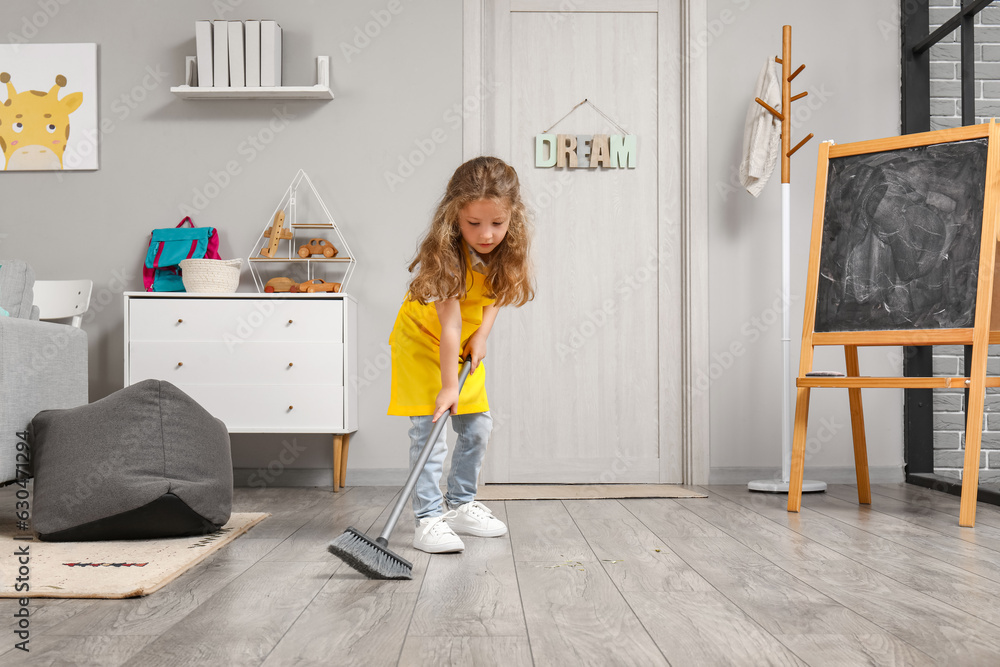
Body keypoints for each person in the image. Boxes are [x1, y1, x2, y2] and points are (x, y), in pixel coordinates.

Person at [388, 156, 534, 554]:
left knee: (477, 427)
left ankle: (460, 504)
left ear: (512, 217)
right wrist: (449, 387)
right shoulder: (445, 256)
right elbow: (449, 324)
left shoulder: (506, 247)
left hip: (462, 344)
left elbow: (497, 294)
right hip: (421, 344)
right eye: (474, 224)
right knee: (430, 434)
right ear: (455, 217)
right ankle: (429, 519)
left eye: (497, 224)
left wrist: (484, 334)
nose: (487, 234)